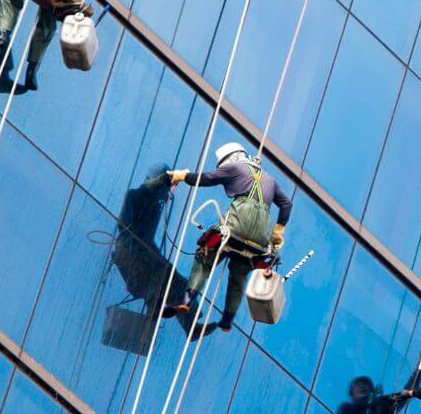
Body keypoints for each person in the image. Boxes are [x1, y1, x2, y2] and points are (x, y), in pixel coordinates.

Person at [164, 140, 293, 337]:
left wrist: (182, 176)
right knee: (239, 274)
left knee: (204, 259)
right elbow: (286, 204)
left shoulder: (235, 167)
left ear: (232, 157)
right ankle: (227, 320)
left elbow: (206, 178)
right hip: (259, 239)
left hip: (236, 227)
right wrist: (277, 232)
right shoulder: (270, 180)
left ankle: (187, 301)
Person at [111, 166, 191, 316]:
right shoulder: (135, 195)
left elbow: (147, 239)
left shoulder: (155, 205)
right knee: (163, 271)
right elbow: (124, 228)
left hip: (142, 250)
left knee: (179, 282)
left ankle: (190, 325)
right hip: (129, 248)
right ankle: (155, 305)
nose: (168, 192)